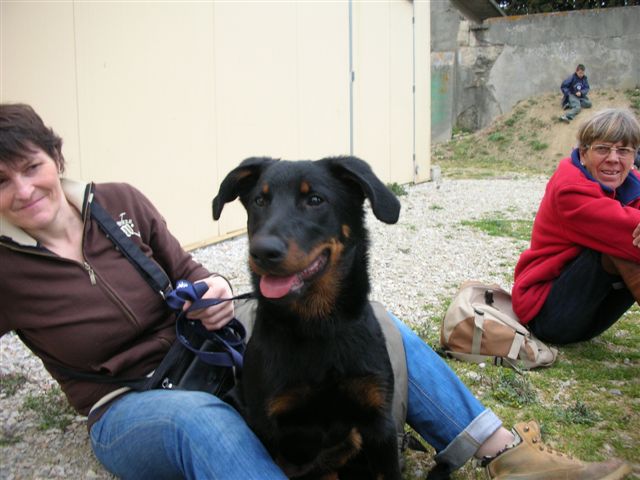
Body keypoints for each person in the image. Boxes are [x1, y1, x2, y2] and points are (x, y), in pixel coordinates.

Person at [0, 103, 630, 480]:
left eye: (31, 167)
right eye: (1, 180)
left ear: (56, 157)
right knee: (203, 421)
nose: (24, 190)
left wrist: (211, 287)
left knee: (373, 323)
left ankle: (502, 452)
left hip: (204, 347)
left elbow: (186, 268)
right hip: (129, 403)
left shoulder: (116, 203)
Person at [513, 108, 640, 346]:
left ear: (634, 157)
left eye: (624, 151)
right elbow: (626, 234)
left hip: (590, 313)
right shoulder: (570, 189)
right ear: (583, 153)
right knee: (619, 246)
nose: (614, 159)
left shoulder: (630, 182)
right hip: (547, 315)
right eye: (602, 149)